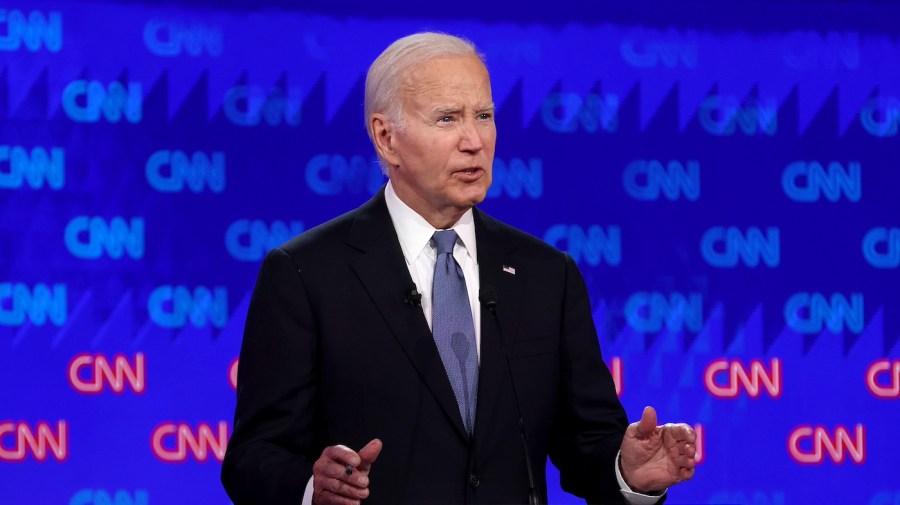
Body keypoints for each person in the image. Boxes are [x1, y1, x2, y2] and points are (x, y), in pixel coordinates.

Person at [222, 32, 696, 505]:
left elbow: (586, 443)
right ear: (386, 138)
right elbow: (253, 457)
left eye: (484, 116)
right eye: (447, 118)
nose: (474, 141)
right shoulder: (307, 273)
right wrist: (311, 489)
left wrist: (630, 474)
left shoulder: (546, 275)